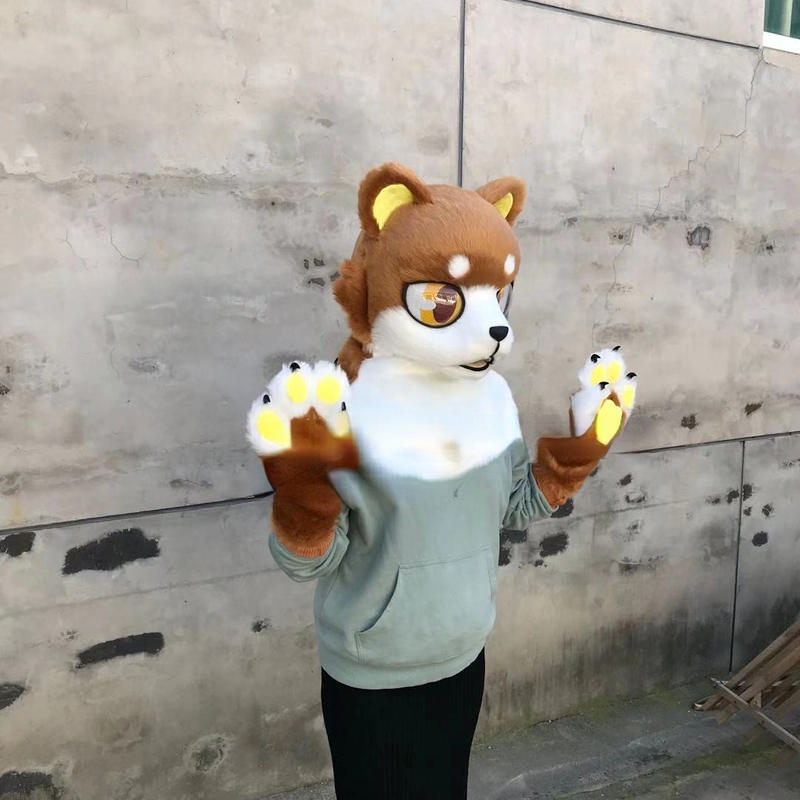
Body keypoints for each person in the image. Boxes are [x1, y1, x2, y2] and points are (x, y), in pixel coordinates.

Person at [246, 163, 636, 799]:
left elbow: (513, 506)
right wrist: (303, 495)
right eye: (443, 299)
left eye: (496, 296)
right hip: (374, 669)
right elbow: (306, 562)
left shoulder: (490, 397)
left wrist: (577, 454)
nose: (494, 326)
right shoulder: (344, 407)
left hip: (463, 651)